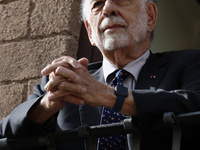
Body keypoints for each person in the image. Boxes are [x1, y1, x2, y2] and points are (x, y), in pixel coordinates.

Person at [1, 0, 200, 149]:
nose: (108, 9)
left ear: (150, 16)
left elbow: (193, 104)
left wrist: (110, 96)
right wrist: (47, 106)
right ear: (89, 31)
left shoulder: (188, 63)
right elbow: (5, 135)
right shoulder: (65, 82)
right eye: (97, 4)